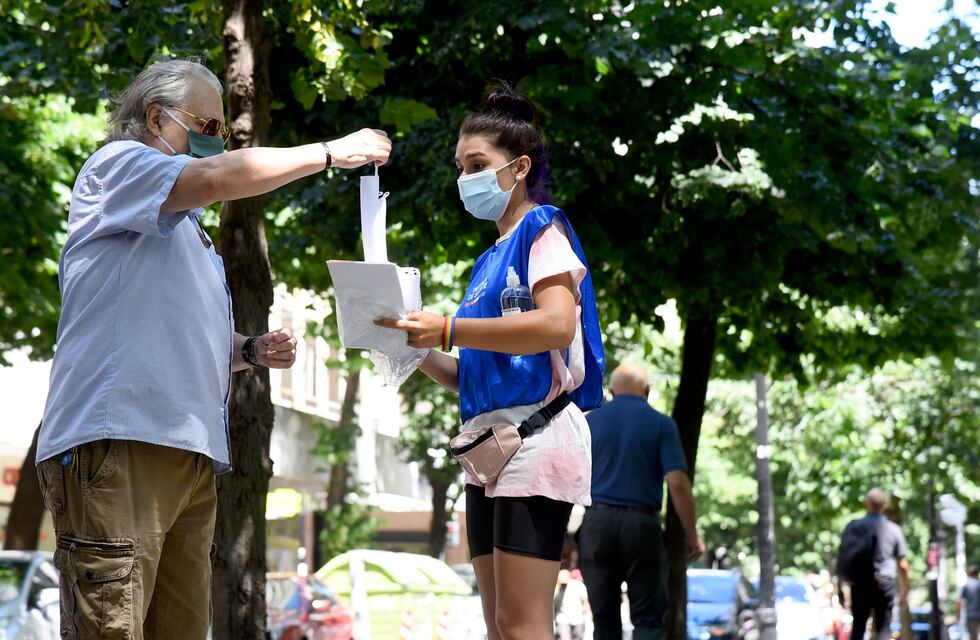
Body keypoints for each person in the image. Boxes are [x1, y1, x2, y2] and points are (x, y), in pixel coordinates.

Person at [34, 58, 391, 639]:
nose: (215, 142)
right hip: (121, 441)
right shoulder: (120, 165)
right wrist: (330, 151)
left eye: (222, 131)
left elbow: (173, 330)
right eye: (207, 126)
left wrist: (248, 350)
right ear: (156, 117)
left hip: (185, 450)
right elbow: (225, 176)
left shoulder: (188, 232)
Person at [377, 82, 604, 640]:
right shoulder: (487, 260)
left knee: (521, 623)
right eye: (459, 167)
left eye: (477, 164)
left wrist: (449, 327)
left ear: (520, 166)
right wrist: (413, 344)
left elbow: (556, 323)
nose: (464, 179)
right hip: (486, 447)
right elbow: (470, 375)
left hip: (537, 440)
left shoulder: (542, 228)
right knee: (498, 624)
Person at [577, 363, 704, 640]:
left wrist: (563, 536)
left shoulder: (588, 423)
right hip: (642, 525)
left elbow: (568, 479)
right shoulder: (661, 424)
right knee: (648, 621)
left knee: (605, 621)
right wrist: (691, 535)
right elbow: (678, 485)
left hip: (596, 524)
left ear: (610, 391)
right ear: (647, 391)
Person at [836, 488, 910, 640]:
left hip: (860, 583)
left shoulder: (853, 527)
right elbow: (903, 565)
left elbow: (843, 558)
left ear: (866, 504)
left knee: (858, 628)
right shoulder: (894, 529)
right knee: (883, 628)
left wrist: (839, 588)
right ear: (884, 506)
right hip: (884, 584)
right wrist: (904, 592)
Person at [554, 565, 590, 640]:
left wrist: (588, 615)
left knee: (578, 637)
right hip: (563, 618)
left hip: (578, 618)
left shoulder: (578, 585)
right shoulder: (556, 588)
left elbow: (585, 600)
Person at [957, 564, 980, 640]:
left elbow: (959, 601)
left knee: (973, 636)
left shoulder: (966, 586)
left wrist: (958, 616)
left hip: (971, 615)